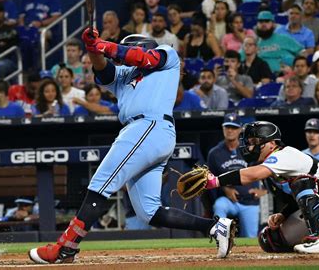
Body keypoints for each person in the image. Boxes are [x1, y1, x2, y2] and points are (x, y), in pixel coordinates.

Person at [29, 30, 235, 264]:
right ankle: (215, 226)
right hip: (148, 133)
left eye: (125, 52)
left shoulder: (166, 55)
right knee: (150, 212)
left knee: (101, 184)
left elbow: (141, 57)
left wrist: (105, 46)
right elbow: (102, 70)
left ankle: (66, 247)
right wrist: (92, 48)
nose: (121, 59)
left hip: (149, 125)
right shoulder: (124, 74)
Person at [203, 121, 319, 253]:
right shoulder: (272, 171)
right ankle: (314, 248)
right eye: (249, 143)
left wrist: (215, 181)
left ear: (271, 144)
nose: (250, 147)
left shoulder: (284, 154)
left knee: (302, 182)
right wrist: (284, 215)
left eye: (255, 142)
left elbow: (251, 175)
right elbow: (300, 199)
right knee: (270, 239)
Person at [208, 113, 265, 238]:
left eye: (233, 127)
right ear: (223, 128)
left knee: (251, 238)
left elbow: (266, 169)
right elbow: (210, 180)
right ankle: (220, 238)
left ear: (240, 129)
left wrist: (264, 191)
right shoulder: (214, 153)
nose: (230, 130)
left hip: (250, 200)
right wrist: (225, 188)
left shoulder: (249, 150)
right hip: (229, 201)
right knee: (219, 205)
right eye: (227, 127)